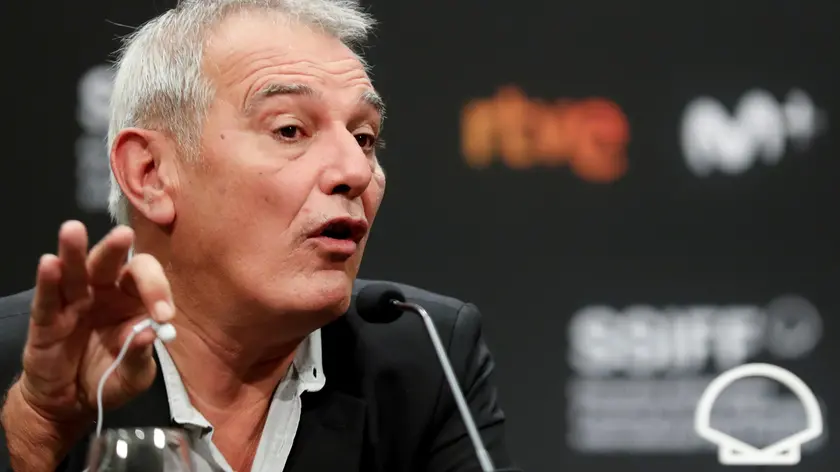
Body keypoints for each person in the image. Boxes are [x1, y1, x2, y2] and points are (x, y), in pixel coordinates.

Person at [0, 0, 519, 471]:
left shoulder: (425, 359)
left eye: (364, 137)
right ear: (150, 173)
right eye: (290, 130)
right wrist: (38, 430)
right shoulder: (14, 361)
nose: (356, 171)